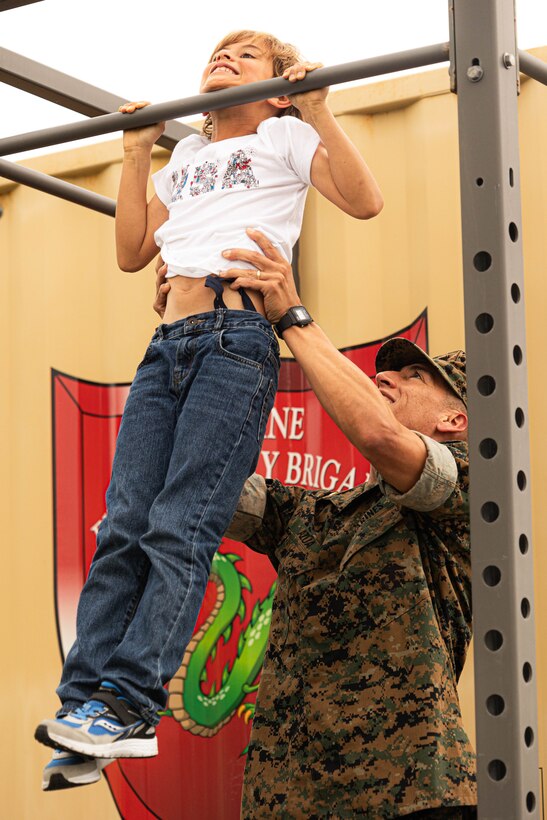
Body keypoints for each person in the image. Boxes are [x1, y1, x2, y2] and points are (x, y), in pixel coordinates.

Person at [36, 30, 383, 786]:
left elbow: (364, 201)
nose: (222, 59)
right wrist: (135, 154)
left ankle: (128, 703)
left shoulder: (286, 134)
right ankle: (85, 706)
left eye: (245, 57)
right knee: (123, 521)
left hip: (235, 338)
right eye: (217, 53)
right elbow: (132, 249)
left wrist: (320, 111)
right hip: (167, 343)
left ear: (278, 87)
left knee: (178, 524)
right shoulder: (187, 157)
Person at [158, 230, 477, 817]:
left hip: (410, 797)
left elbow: (381, 437)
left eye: (412, 377)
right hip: (290, 802)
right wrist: (185, 342)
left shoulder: (473, 491)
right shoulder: (318, 513)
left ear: (457, 418)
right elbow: (197, 482)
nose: (385, 378)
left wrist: (290, 316)